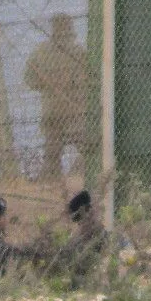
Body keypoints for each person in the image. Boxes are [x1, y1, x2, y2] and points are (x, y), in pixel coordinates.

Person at [25, 15, 94, 186]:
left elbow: (29, 79)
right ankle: (87, 178)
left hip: (51, 111)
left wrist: (45, 84)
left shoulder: (40, 52)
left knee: (52, 153)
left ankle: (51, 184)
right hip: (75, 109)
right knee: (88, 149)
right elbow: (91, 79)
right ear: (70, 29)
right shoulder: (79, 52)